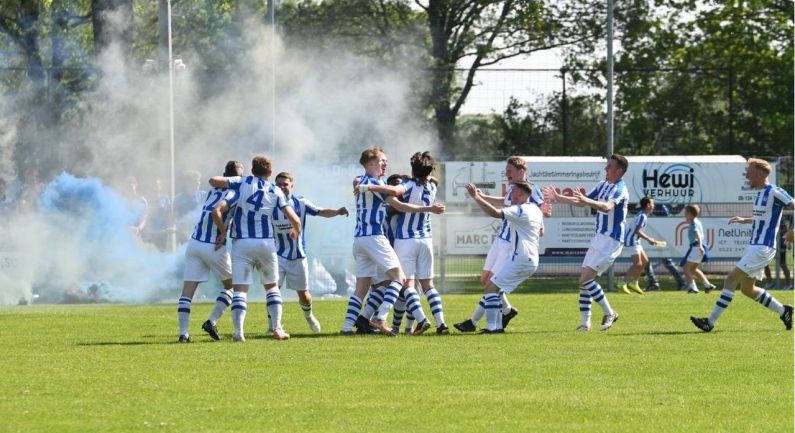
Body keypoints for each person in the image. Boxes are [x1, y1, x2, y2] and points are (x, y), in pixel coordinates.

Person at [339, 148, 444, 336]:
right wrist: (428, 208)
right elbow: (400, 205)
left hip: (359, 239)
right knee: (399, 278)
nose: (385, 164)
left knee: (361, 289)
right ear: (370, 164)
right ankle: (380, 318)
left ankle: (347, 327)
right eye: (382, 161)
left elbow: (359, 181)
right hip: (374, 237)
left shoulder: (359, 180)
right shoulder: (375, 184)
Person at [691, 158, 793, 332]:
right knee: (747, 289)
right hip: (756, 245)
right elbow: (764, 219)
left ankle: (710, 321)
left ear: (760, 173)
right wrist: (745, 220)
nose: (746, 175)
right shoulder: (760, 193)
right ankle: (784, 311)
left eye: (749, 171)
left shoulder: (774, 192)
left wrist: (793, 230)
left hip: (762, 247)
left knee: (730, 279)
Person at [208, 155, 302, 342]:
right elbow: (295, 219)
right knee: (272, 287)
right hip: (265, 243)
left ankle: (238, 333)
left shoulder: (242, 182)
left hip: (242, 243)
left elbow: (213, 180)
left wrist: (229, 182)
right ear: (269, 172)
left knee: (240, 289)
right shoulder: (275, 190)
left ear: (252, 170)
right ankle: (277, 328)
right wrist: (295, 231)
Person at [453, 156, 548, 332]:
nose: (507, 174)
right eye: (506, 171)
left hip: (513, 248)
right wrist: (483, 196)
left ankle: (480, 323)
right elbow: (504, 203)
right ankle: (504, 313)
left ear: (521, 171)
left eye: (510, 171)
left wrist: (477, 197)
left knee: (492, 285)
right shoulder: (516, 193)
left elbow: (541, 215)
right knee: (487, 281)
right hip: (503, 240)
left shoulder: (531, 192)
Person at [542, 154, 629, 331]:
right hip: (599, 238)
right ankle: (585, 324)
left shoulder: (620, 189)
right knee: (583, 281)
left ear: (619, 171)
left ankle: (610, 312)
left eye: (610, 167)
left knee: (585, 278)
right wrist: (558, 197)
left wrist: (586, 200)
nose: (606, 169)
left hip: (612, 240)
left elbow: (606, 207)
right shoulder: (603, 184)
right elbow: (581, 202)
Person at [367, 152, 449, 334]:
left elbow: (395, 191)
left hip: (406, 240)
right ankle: (441, 324)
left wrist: (371, 186)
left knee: (407, 284)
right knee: (428, 285)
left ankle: (420, 320)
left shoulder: (409, 185)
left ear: (413, 169)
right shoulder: (433, 185)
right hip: (426, 239)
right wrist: (427, 170)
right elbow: (433, 178)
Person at [271, 171, 349, 333]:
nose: (282, 187)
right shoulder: (270, 204)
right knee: (273, 290)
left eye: (285, 184)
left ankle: (309, 317)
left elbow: (320, 211)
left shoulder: (301, 202)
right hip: (277, 255)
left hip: (298, 256)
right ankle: (273, 325)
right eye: (278, 184)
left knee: (303, 294)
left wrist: (337, 211)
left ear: (292, 185)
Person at [176, 161, 243, 343]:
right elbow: (216, 211)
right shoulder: (234, 193)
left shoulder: (212, 190)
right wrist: (223, 232)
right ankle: (211, 321)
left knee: (187, 291)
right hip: (212, 245)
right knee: (234, 286)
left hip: (194, 243)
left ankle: (183, 334)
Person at [618, 197, 659, 294]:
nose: (654, 205)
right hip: (631, 241)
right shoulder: (642, 216)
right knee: (638, 263)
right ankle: (622, 283)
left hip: (636, 241)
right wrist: (650, 239)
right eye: (652, 203)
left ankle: (634, 283)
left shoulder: (643, 215)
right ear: (648, 205)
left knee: (644, 261)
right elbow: (638, 231)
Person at [679, 204, 716, 294]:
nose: (684, 214)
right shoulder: (697, 221)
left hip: (696, 247)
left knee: (686, 268)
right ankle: (708, 285)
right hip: (700, 246)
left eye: (685, 212)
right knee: (693, 269)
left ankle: (693, 288)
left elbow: (697, 233)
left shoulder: (693, 223)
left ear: (689, 213)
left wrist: (699, 245)